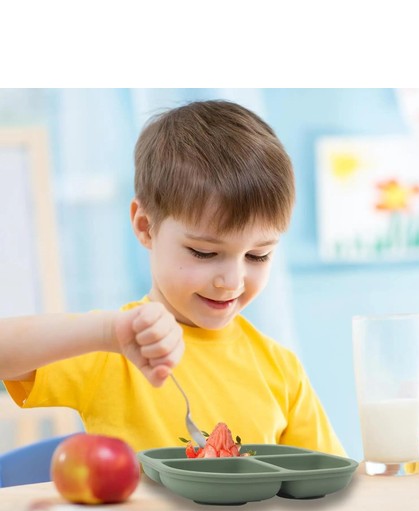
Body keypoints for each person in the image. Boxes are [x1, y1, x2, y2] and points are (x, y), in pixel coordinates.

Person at [0, 100, 346, 456]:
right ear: (145, 227)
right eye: (204, 253)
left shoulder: (280, 369)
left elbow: (329, 481)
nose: (232, 280)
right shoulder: (114, 349)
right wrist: (105, 333)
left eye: (258, 255)